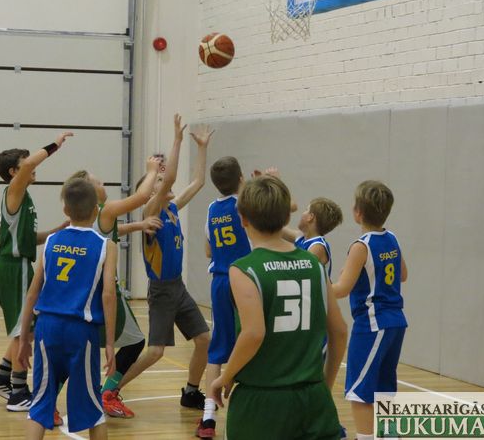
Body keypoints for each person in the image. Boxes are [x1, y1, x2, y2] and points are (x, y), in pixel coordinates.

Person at [211, 175, 348, 440]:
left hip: (261, 401)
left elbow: (254, 333)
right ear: (287, 217)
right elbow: (340, 331)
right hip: (313, 398)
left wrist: (226, 376)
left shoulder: (244, 269)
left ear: (243, 219)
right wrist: (324, 385)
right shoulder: (315, 265)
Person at [115, 114, 214, 410]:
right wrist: (177, 140)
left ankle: (191, 391)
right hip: (161, 290)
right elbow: (169, 179)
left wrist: (202, 148)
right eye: (158, 180)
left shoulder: (171, 208)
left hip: (178, 288)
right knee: (156, 351)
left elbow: (198, 182)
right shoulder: (151, 210)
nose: (164, 180)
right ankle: (111, 390)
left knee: (204, 339)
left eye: (163, 177)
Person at [17, 177, 117, 440]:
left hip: (46, 327)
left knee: (39, 405)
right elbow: (108, 295)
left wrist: (24, 337)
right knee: (93, 408)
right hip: (81, 331)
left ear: (65, 210)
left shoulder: (51, 241)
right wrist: (109, 343)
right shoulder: (106, 246)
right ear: (96, 210)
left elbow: (33, 292)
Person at [63, 157, 162, 419]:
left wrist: (138, 225)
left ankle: (50, 401)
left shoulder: (86, 217)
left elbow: (111, 230)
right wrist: (151, 171)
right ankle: (107, 393)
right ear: (90, 191)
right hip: (105, 291)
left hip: (79, 293)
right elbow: (141, 197)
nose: (103, 185)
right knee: (136, 342)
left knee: (75, 349)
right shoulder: (104, 210)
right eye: (99, 183)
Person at [0, 132, 73, 413]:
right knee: (24, 329)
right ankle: (18, 392)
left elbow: (27, 238)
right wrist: (55, 146)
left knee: (24, 327)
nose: (32, 166)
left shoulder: (23, 197)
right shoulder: (15, 189)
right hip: (13, 266)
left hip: (16, 264)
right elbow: (31, 163)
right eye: (26, 163)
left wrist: (58, 230)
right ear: (14, 171)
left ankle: (1, 377)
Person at [332, 180, 408, 440]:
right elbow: (403, 275)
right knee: (384, 385)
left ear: (358, 212)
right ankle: (389, 435)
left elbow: (341, 289)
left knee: (360, 389)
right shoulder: (392, 238)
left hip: (372, 324)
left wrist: (317, 282)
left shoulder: (361, 246)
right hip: (396, 322)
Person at [196, 156, 251, 438]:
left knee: (217, 348)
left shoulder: (211, 209)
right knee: (254, 339)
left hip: (220, 280)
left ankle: (208, 417)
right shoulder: (245, 205)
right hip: (246, 278)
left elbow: (208, 250)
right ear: (241, 179)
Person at [283, 197, 343, 281]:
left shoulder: (317, 246)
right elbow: (278, 229)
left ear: (310, 217)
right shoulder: (302, 237)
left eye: (306, 210)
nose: (302, 213)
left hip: (317, 289)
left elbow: (298, 271)